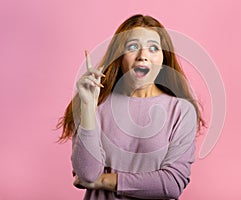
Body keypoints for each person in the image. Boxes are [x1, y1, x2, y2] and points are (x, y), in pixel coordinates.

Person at [57, 14, 205, 200]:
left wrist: (101, 181)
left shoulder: (181, 111)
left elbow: (171, 184)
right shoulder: (95, 103)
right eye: (133, 47)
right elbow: (87, 173)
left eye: (153, 48)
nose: (143, 56)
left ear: (163, 60)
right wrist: (87, 107)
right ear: (119, 56)